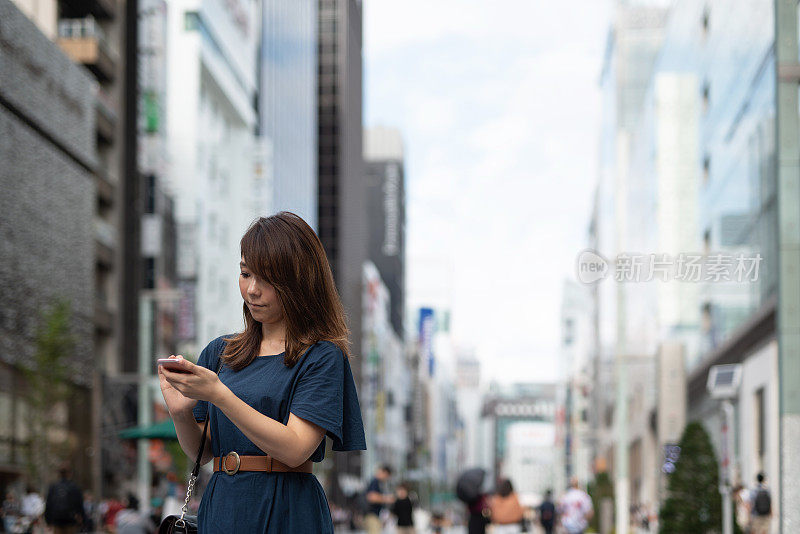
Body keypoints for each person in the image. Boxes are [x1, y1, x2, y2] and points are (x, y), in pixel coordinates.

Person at [159, 212, 367, 533]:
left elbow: (296, 448)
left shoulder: (322, 356)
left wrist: (220, 395)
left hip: (288, 507)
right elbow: (202, 451)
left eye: (266, 279)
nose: (252, 289)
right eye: (245, 273)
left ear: (299, 281)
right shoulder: (220, 351)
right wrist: (181, 413)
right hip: (224, 504)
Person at [44, 465, 85, 534]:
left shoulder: (53, 487)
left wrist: (48, 521)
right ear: (69, 473)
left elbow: (48, 504)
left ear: (59, 474)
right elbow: (79, 504)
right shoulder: (74, 487)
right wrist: (82, 519)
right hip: (70, 520)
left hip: (57, 521)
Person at [364, 465, 394, 534]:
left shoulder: (377, 482)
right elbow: (371, 497)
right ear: (385, 473)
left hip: (375, 515)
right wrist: (387, 499)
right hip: (372, 515)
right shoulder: (375, 481)